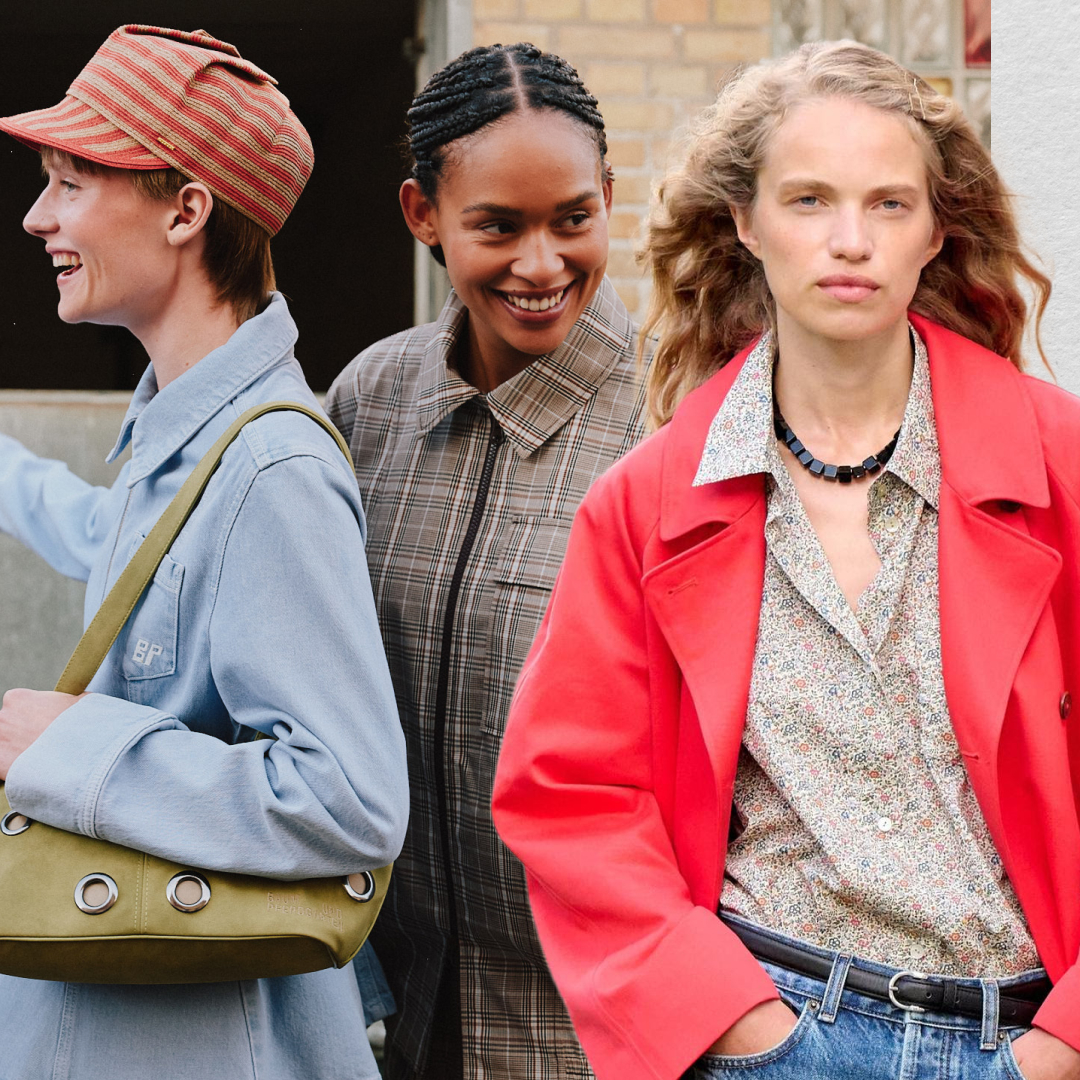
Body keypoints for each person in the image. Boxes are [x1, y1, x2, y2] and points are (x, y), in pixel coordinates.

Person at [492, 40, 1080, 1080]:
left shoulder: (1061, 461)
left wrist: (1064, 1046)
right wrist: (738, 1029)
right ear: (745, 221)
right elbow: (571, 791)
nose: (849, 240)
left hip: (1028, 1041)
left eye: (888, 205)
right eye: (809, 200)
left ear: (938, 229)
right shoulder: (646, 503)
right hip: (774, 1029)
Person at [0, 25, 407, 1080]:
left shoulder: (272, 467)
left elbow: (350, 802)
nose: (38, 216)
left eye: (73, 182)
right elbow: (126, 550)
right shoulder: (178, 429)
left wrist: (69, 745)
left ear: (186, 210)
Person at [325, 42, 650, 1080]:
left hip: (606, 1035)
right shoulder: (371, 401)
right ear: (423, 215)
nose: (542, 263)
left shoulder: (679, 418)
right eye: (497, 227)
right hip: (392, 1024)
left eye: (572, 219)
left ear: (608, 196)